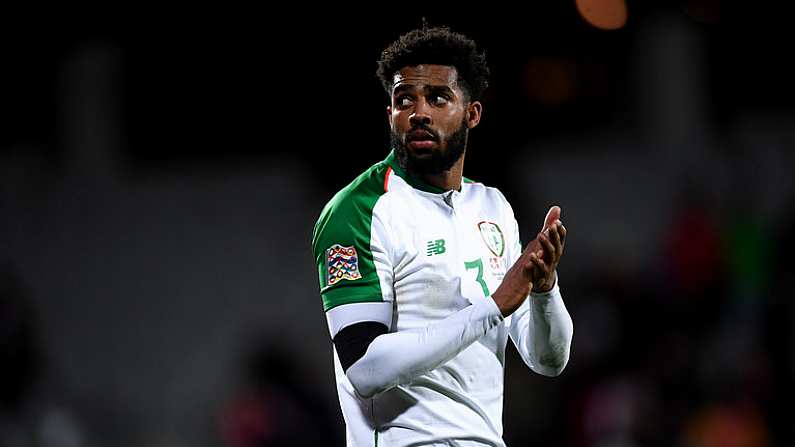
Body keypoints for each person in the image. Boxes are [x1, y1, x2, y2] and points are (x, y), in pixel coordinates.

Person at [311, 25, 573, 446]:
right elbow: (364, 367)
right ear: (389, 113)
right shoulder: (359, 210)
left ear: (472, 113)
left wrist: (545, 290)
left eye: (437, 97)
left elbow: (548, 360)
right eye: (404, 99)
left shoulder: (492, 207)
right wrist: (492, 307)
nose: (418, 112)